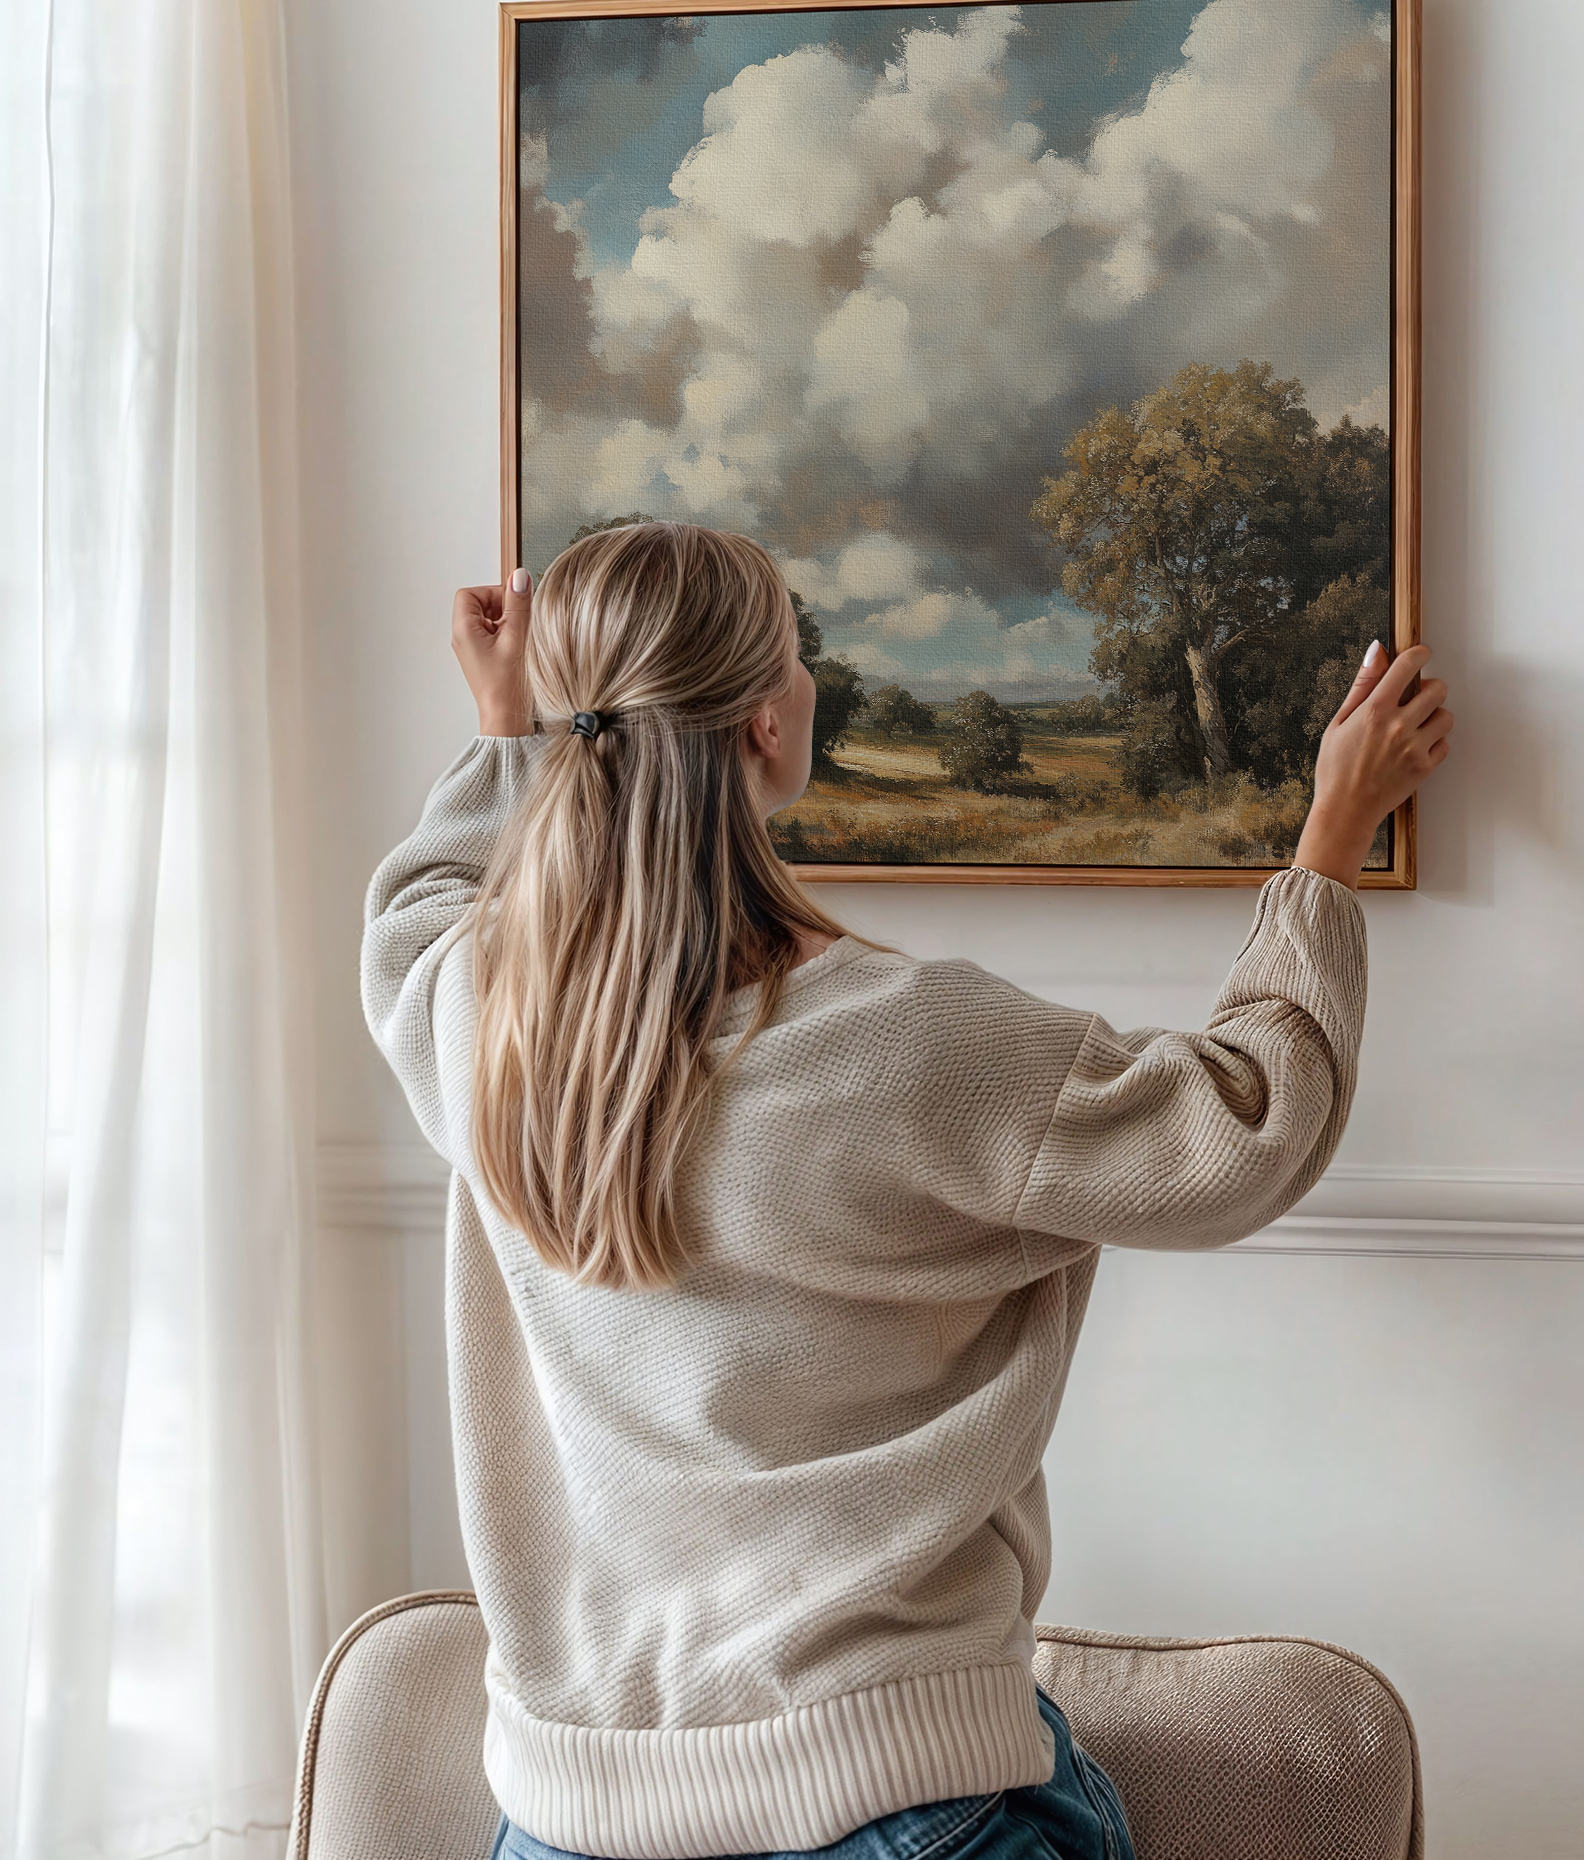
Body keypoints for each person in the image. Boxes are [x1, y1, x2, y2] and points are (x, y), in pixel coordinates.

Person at [362, 521, 1453, 1860]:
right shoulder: (910, 1042)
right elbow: (1244, 1125)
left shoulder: (480, 1021)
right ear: (767, 727)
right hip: (893, 1808)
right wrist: (1330, 837)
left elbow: (415, 906)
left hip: (564, 1825)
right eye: (801, 651)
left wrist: (506, 731)